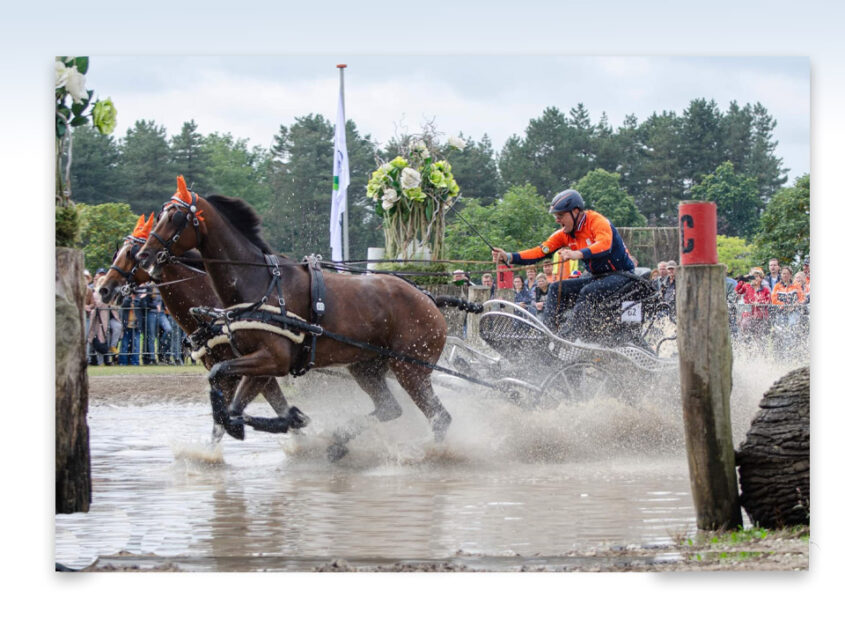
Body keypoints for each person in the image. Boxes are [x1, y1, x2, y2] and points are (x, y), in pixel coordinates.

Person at [492, 189, 637, 342]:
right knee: (555, 288)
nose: (557, 220)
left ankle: (570, 338)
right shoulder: (564, 234)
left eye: (560, 215)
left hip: (623, 275)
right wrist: (508, 256)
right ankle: (546, 338)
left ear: (575, 211)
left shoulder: (597, 221)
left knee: (588, 291)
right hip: (597, 278)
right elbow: (540, 251)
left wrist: (578, 254)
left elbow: (604, 245)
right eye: (556, 216)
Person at [734, 267, 771, 346]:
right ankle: (747, 348)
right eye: (753, 276)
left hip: (760, 316)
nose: (754, 278)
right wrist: (743, 279)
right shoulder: (747, 286)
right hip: (748, 315)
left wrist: (759, 303)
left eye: (757, 276)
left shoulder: (765, 289)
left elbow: (768, 301)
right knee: (746, 330)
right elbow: (737, 290)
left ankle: (759, 352)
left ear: (761, 278)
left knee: (759, 337)